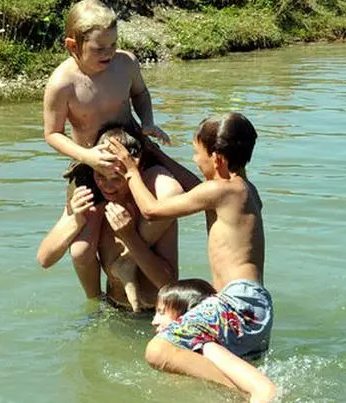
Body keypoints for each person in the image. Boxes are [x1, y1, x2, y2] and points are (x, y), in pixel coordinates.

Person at [42, 0, 201, 301]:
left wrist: (149, 121)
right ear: (72, 45)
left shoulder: (125, 63)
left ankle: (128, 256)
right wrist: (87, 156)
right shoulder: (62, 83)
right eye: (99, 49)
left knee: (180, 194)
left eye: (113, 44)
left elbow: (140, 93)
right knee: (81, 249)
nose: (109, 53)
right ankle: (95, 300)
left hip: (133, 151)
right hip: (92, 162)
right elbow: (52, 134)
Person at [108, 112, 272, 393]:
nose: (195, 160)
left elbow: (152, 210)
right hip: (252, 308)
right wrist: (156, 155)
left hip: (236, 304)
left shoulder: (222, 191)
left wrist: (131, 171)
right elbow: (196, 187)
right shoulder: (244, 190)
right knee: (200, 355)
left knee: (159, 350)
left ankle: (255, 392)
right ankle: (249, 388)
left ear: (217, 159)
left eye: (196, 153)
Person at [37, 126, 183, 312]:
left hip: (155, 313)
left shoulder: (152, 208)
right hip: (112, 308)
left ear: (134, 172)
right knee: (80, 248)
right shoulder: (93, 201)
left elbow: (168, 284)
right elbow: (44, 259)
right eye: (100, 176)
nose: (108, 186)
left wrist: (130, 238)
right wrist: (76, 220)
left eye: (116, 178)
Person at [152, 280, 278, 403]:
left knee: (156, 351)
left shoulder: (207, 346)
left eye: (161, 312)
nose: (154, 321)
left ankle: (254, 390)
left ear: (189, 315)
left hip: (244, 297)